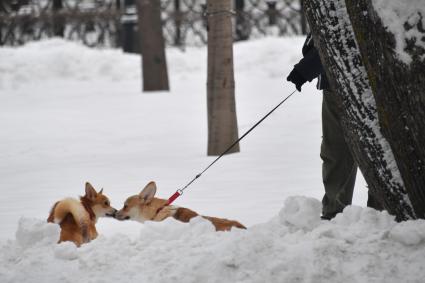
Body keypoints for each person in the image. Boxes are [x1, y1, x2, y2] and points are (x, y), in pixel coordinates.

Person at [286, 34, 357, 220]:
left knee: (370, 153)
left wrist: (306, 69)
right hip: (334, 83)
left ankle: (383, 213)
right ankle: (335, 212)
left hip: (358, 81)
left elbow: (341, 37)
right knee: (335, 150)